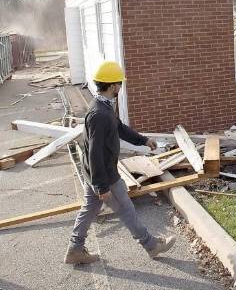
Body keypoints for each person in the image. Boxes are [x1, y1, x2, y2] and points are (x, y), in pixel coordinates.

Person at [64, 61, 176, 265]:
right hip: (104, 174)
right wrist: (101, 185)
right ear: (113, 86)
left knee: (89, 210)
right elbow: (94, 151)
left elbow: (120, 128)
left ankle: (75, 249)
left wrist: (143, 140)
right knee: (126, 209)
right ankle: (151, 245)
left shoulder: (103, 106)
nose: (120, 88)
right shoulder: (99, 114)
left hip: (95, 173)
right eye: (119, 84)